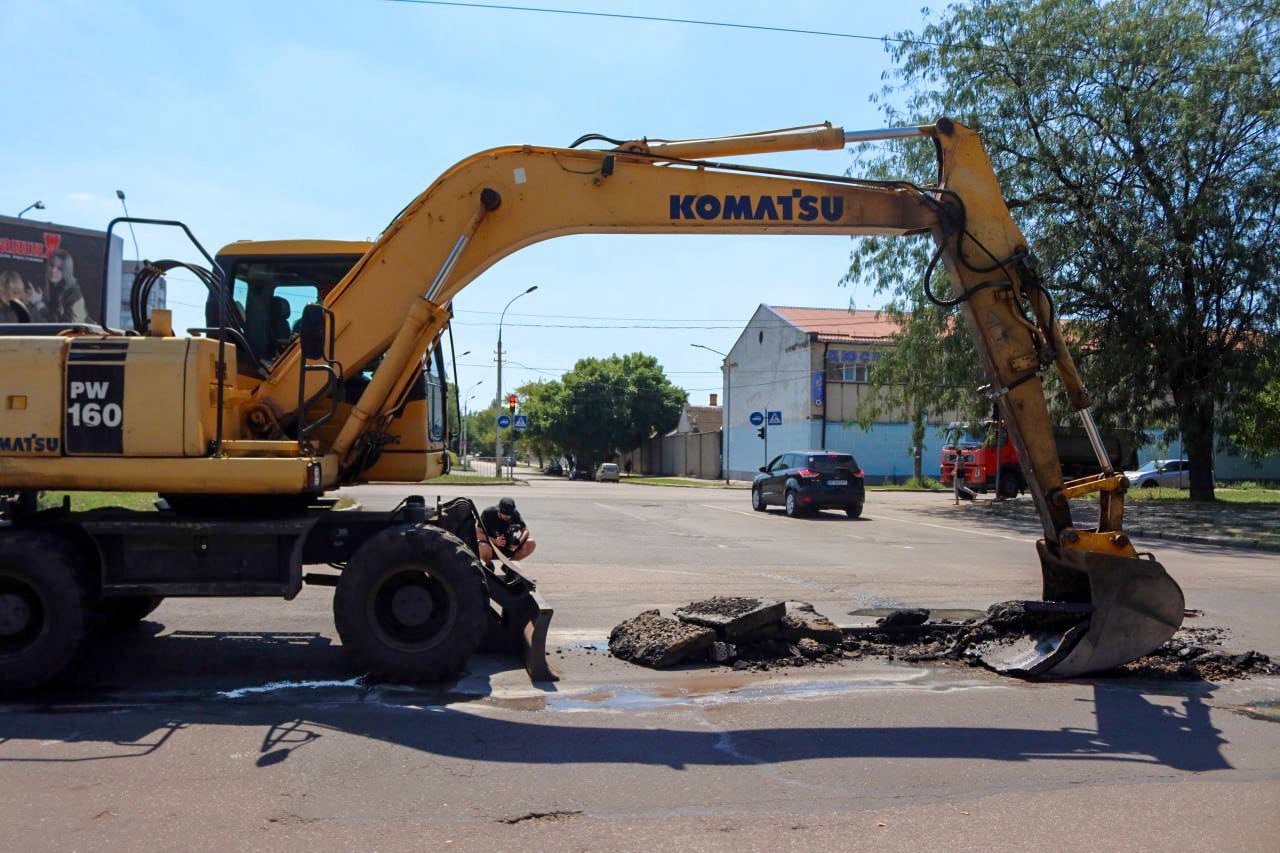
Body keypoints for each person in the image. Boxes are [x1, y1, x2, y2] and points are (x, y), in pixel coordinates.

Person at [35, 249, 88, 324]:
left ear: (66, 271)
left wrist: (39, 304)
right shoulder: (49, 286)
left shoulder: (74, 294)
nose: (53, 270)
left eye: (59, 268)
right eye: (51, 265)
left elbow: (68, 326)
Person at [476, 496, 536, 562]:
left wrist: (518, 542)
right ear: (499, 510)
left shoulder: (514, 513)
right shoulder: (488, 513)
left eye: (510, 515)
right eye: (505, 514)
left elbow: (525, 531)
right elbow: (478, 533)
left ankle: (509, 565)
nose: (508, 516)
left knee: (531, 543)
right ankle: (489, 564)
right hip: (492, 546)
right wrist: (495, 541)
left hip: (509, 546)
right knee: (482, 547)